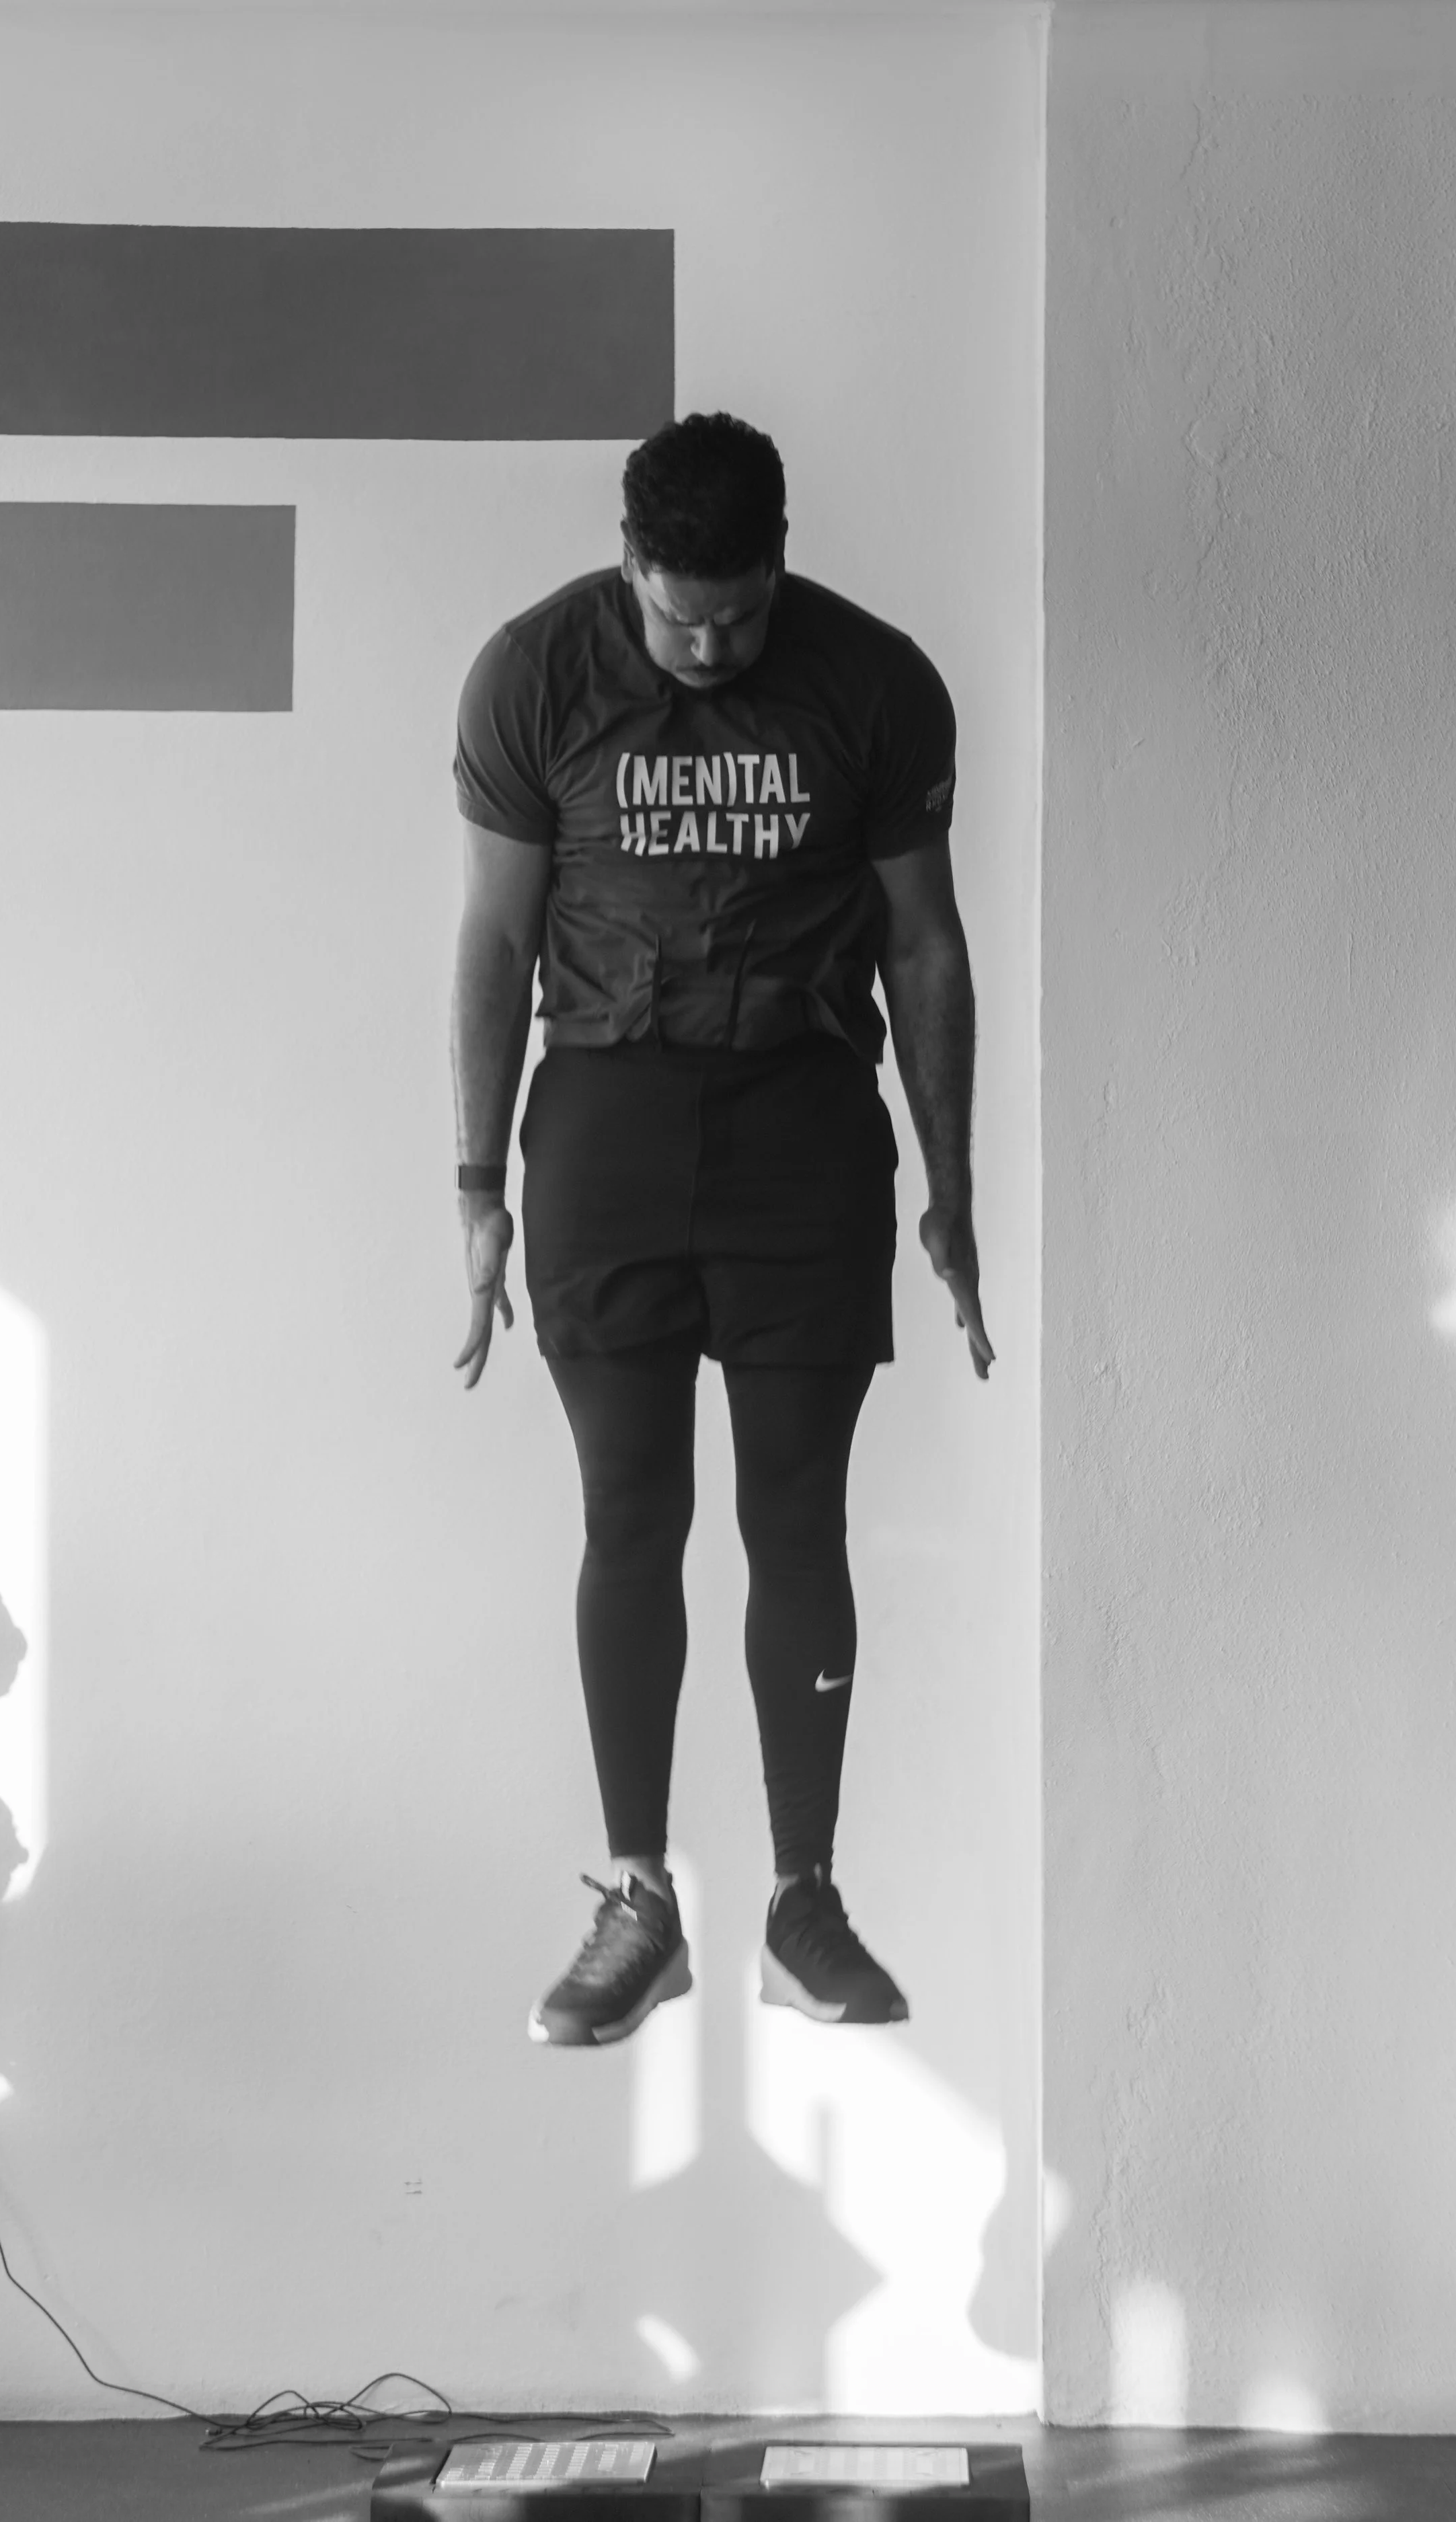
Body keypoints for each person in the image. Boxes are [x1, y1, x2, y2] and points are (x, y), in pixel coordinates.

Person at [450, 412, 993, 2048]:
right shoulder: (535, 674)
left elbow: (927, 950)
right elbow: (491, 936)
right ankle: (637, 1902)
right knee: (630, 1512)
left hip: (801, 1123)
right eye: (677, 612)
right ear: (630, 563)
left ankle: (801, 1901)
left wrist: (949, 1190)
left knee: (797, 1517)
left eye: (737, 613)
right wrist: (475, 1191)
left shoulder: (872, 681)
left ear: (777, 563)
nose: (706, 643)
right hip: (607, 1117)